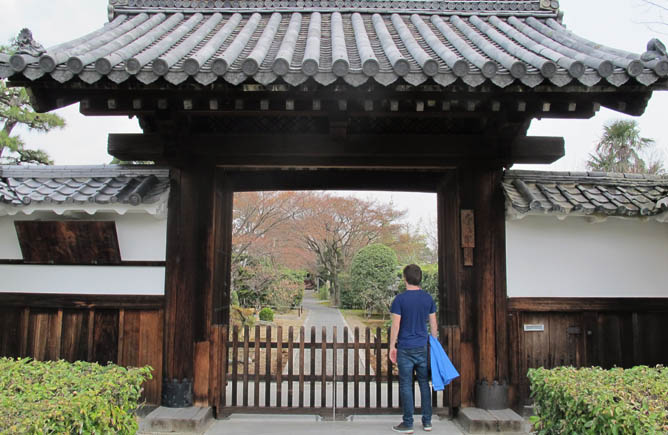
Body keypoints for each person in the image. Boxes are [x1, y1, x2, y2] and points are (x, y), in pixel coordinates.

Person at [389, 264, 438, 434]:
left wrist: (391, 346)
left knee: (406, 385)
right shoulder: (427, 298)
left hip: (405, 347)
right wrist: (434, 342)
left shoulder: (399, 300)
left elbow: (396, 325)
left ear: (405, 278)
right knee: (424, 383)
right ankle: (427, 422)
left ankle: (408, 422)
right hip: (422, 346)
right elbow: (433, 323)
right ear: (420, 278)